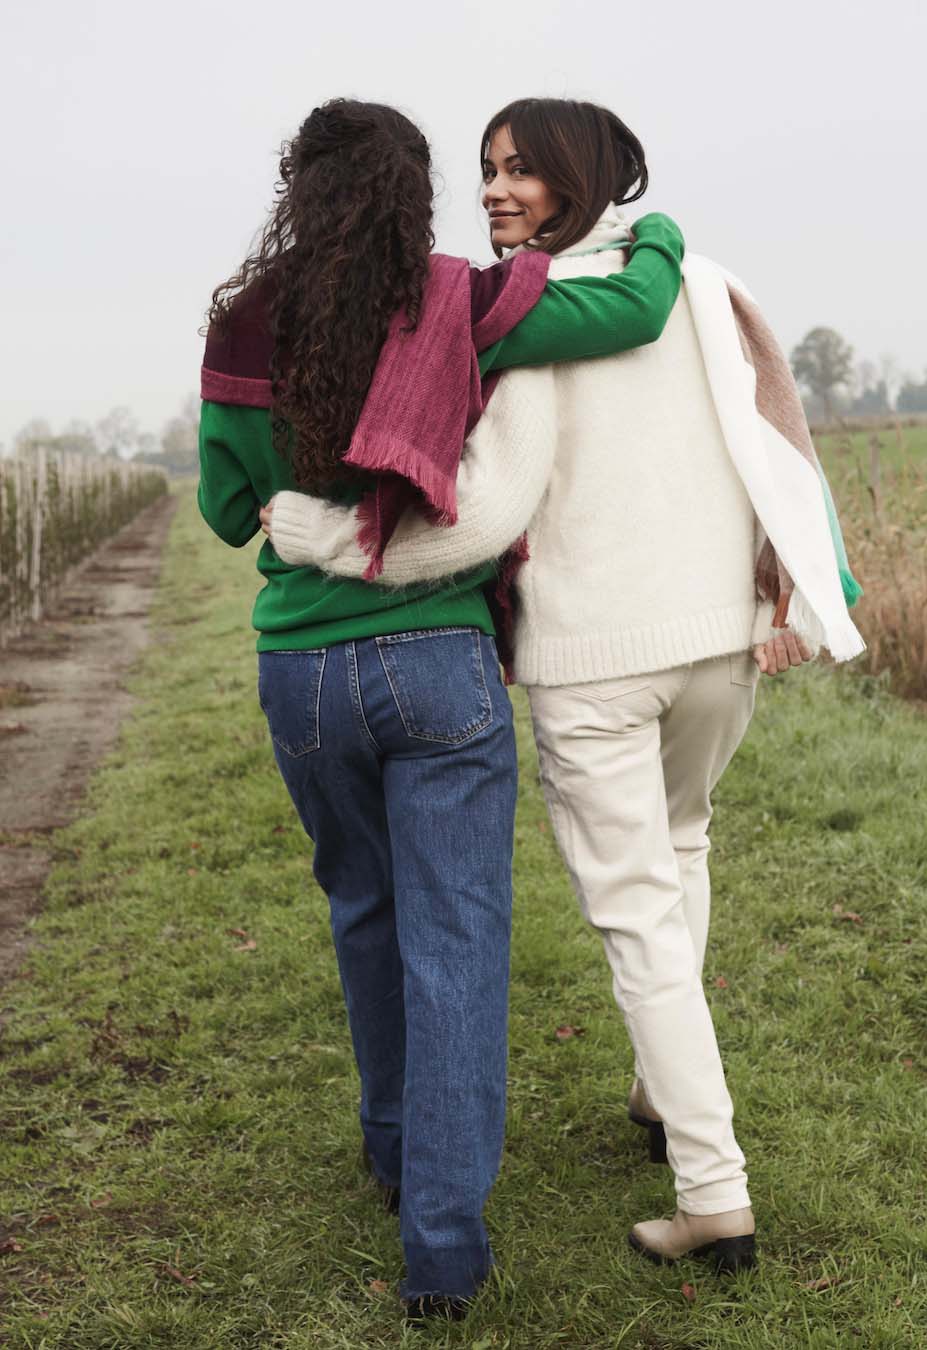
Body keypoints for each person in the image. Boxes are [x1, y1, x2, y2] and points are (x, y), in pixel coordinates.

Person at [263, 96, 864, 1280]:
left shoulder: (523, 316)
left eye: (521, 170)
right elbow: (776, 445)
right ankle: (660, 1089)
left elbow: (484, 514)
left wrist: (314, 535)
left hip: (596, 660)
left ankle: (713, 1191)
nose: (495, 190)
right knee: (682, 848)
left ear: (579, 177)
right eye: (488, 169)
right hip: (716, 644)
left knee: (636, 913)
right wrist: (793, 592)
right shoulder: (699, 283)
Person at [197, 97, 686, 1319]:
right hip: (437, 661)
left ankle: (390, 1148)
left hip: (304, 671)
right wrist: (660, 230)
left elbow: (224, 506)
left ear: (298, 190)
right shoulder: (458, 301)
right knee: (455, 941)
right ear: (413, 198)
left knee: (364, 912)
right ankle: (444, 1249)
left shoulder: (243, 321)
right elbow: (633, 308)